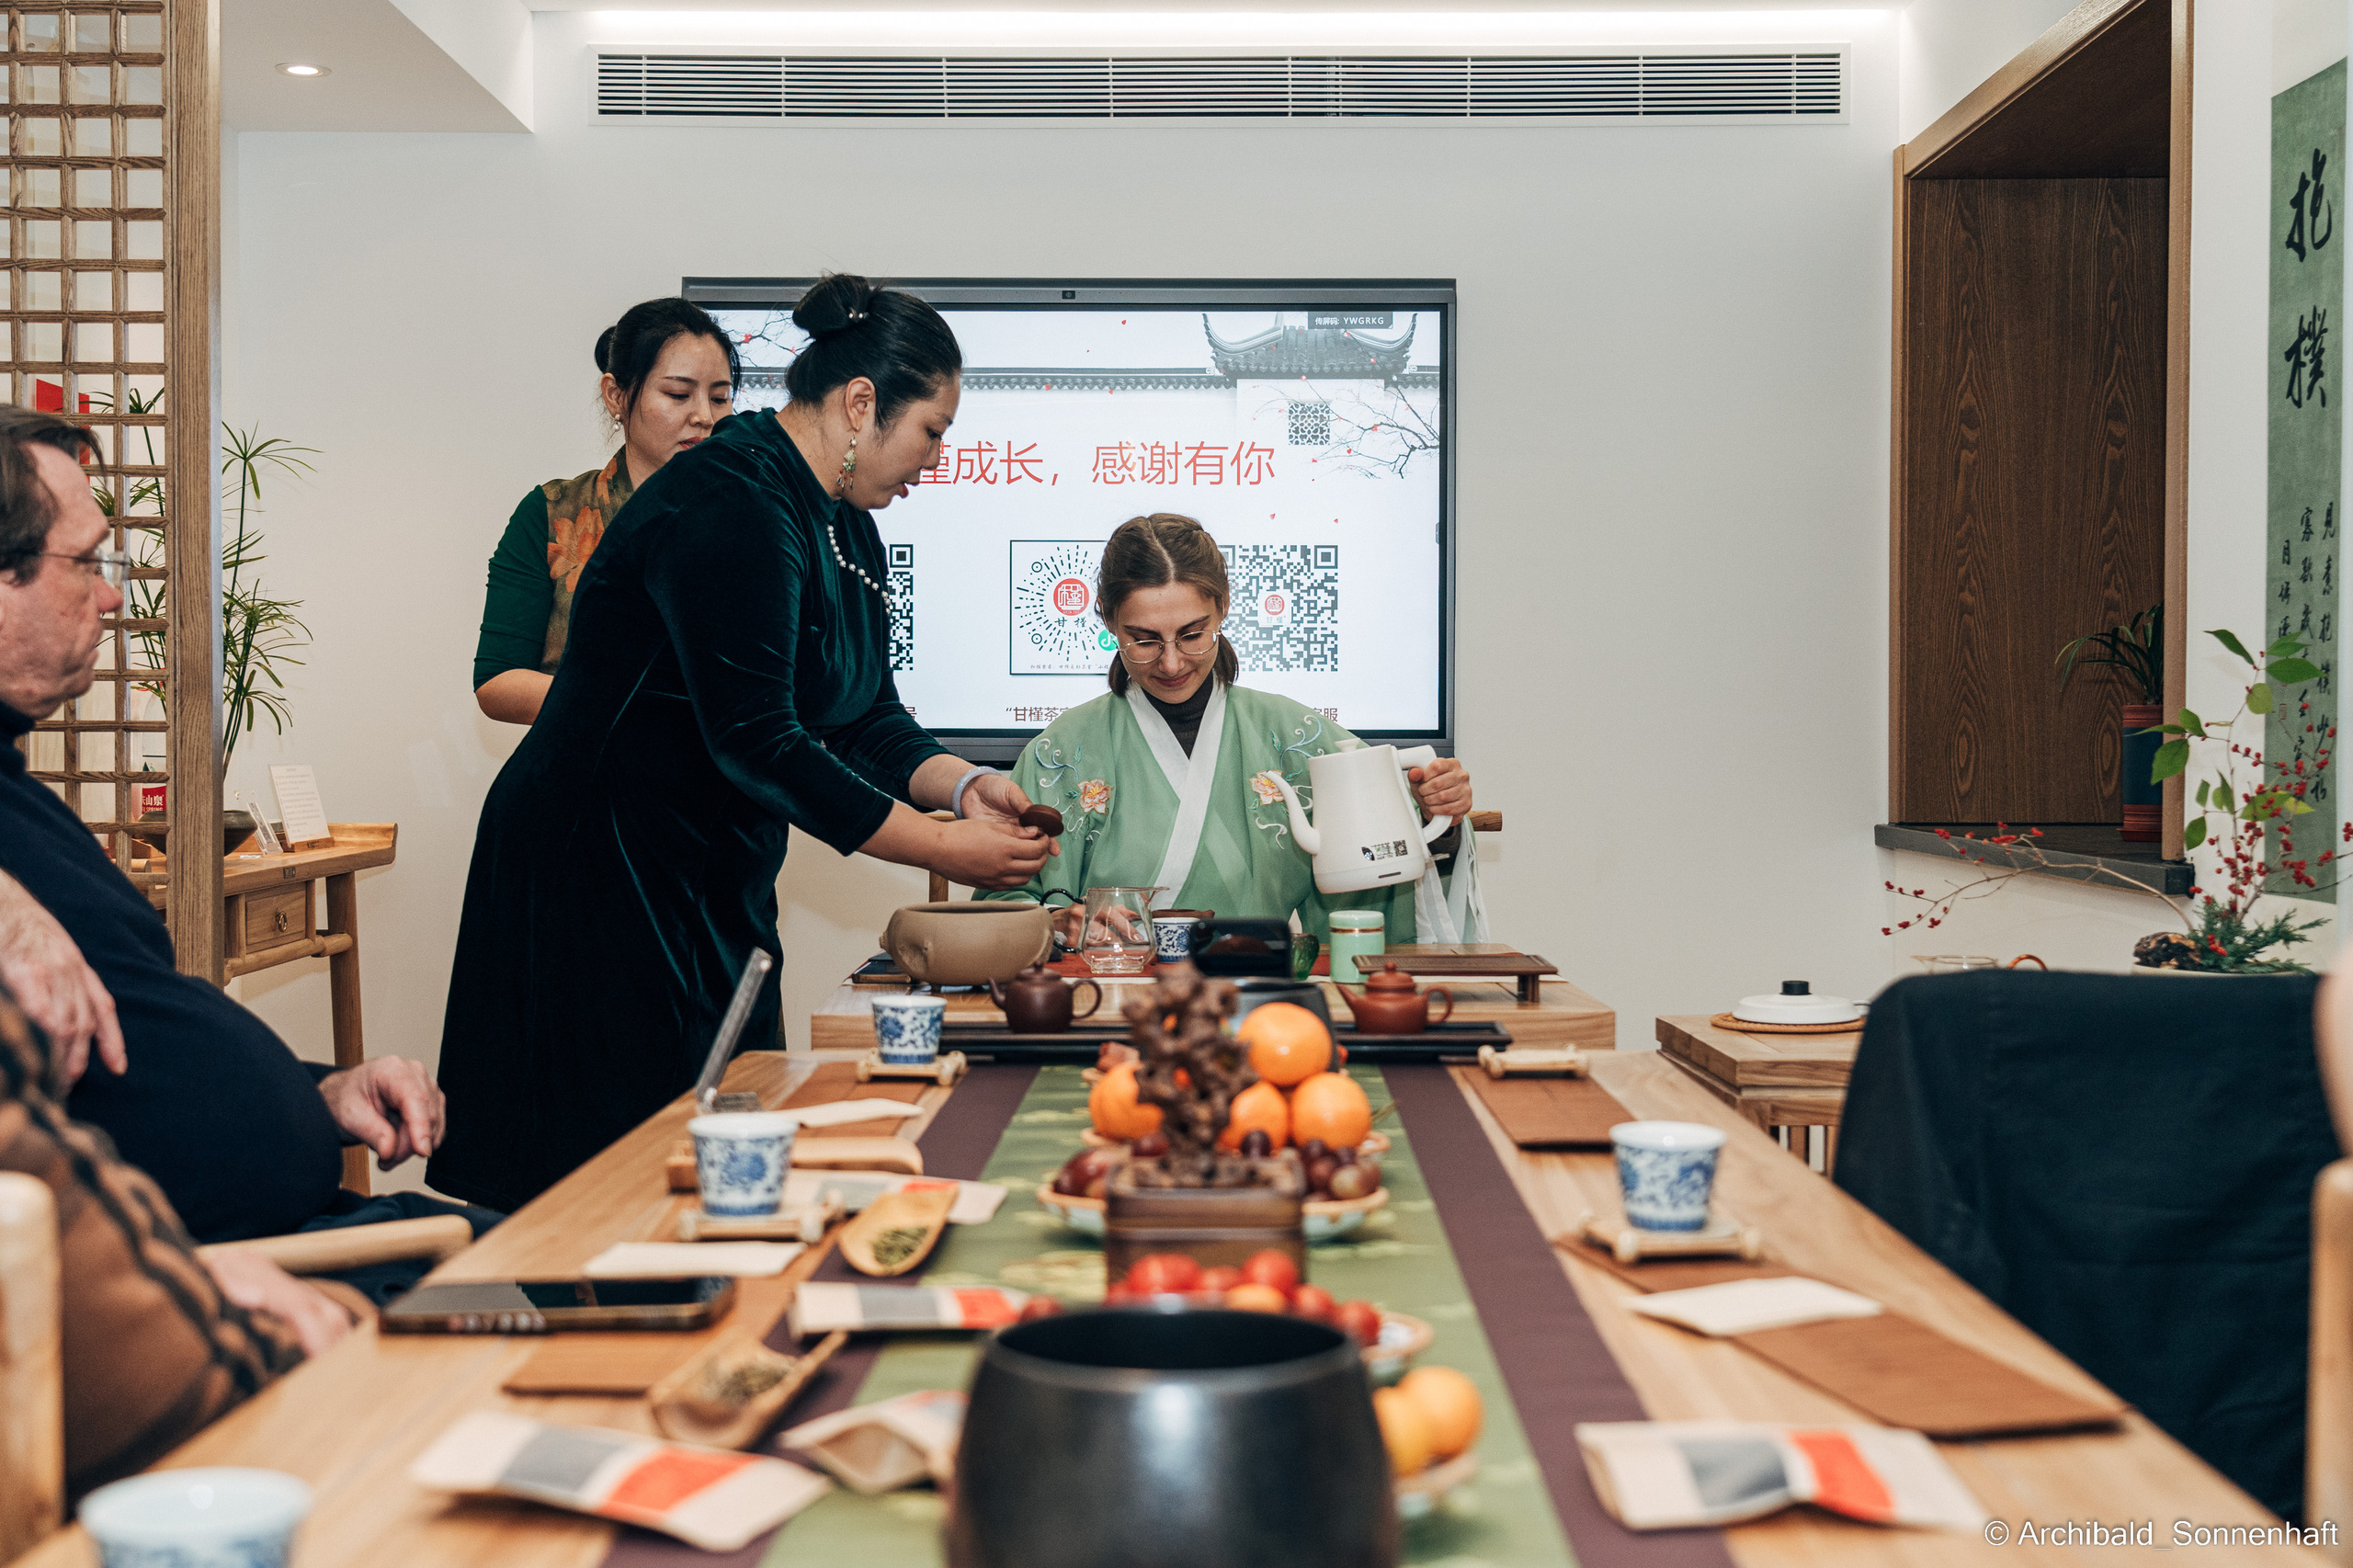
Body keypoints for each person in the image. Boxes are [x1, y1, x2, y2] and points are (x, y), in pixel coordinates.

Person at [429, 275, 1052, 1211]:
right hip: (598, 870)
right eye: (931, 430)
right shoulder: (728, 499)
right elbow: (758, 738)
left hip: (703, 865)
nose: (936, 458)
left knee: (719, 1134)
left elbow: (860, 714)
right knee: (610, 1179)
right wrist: (934, 846)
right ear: (859, 403)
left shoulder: (841, 519)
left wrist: (964, 786)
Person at [0, 406, 492, 1286]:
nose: (114, 594)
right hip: (227, 1282)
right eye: (87, 562)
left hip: (318, 1231)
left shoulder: (20, 799)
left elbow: (142, 1059)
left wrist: (319, 1094)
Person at [978, 513, 1482, 945]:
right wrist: (1057, 922)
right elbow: (1003, 899)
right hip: (1109, 997)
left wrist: (1436, 810)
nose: (1172, 662)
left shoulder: (1296, 735)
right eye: (1144, 639)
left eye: (1192, 634)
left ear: (1222, 607)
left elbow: (1384, 863)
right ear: (1108, 620)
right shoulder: (1063, 751)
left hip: (1256, 997)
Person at [0, 981, 355, 1499]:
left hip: (250, 1264)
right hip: (245, 1332)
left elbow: (165, 1028)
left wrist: (318, 1091)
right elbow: (188, 1402)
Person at [473, 298, 741, 725]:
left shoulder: (756, 517)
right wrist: (644, 704)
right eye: (678, 394)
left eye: (720, 397)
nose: (705, 416)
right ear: (616, 396)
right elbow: (497, 681)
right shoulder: (552, 512)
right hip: (584, 779)